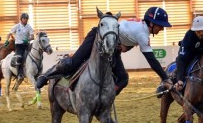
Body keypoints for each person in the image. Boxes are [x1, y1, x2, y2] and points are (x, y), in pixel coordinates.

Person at [36, 7, 173, 97]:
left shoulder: (141, 28)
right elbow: (152, 60)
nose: (162, 29)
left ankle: (106, 100)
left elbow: (128, 40)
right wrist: (165, 78)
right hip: (97, 37)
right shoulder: (142, 34)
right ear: (151, 23)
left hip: (112, 49)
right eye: (161, 25)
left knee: (123, 78)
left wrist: (126, 47)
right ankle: (46, 76)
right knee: (74, 62)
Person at [161, 16, 203, 110]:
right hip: (190, 53)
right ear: (194, 31)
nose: (201, 33)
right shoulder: (188, 38)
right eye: (198, 31)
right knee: (181, 68)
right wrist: (180, 79)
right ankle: (166, 84)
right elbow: (182, 60)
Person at [5, 13, 34, 81]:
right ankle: (19, 74)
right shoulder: (17, 26)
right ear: (21, 19)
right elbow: (9, 34)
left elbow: (32, 36)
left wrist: (28, 40)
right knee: (19, 57)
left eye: (27, 19)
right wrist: (7, 40)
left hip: (26, 44)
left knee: (33, 56)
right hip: (19, 45)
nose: (25, 20)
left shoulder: (29, 27)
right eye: (24, 18)